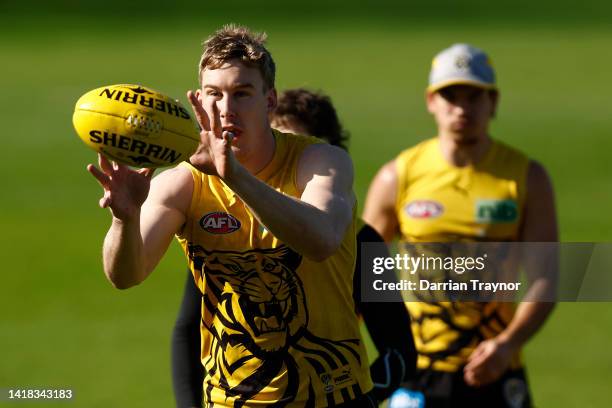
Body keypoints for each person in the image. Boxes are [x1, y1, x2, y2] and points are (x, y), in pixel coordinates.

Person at [88, 25, 375, 407]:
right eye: (214, 94)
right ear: (198, 99)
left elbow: (321, 241)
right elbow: (125, 276)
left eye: (242, 94)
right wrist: (124, 219)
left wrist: (234, 177)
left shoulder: (321, 161)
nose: (226, 108)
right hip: (231, 401)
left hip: (333, 396)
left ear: (269, 101)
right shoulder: (181, 184)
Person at [172, 88, 416, 407]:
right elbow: (188, 333)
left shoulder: (363, 241)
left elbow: (400, 351)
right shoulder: (228, 236)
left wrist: (361, 400)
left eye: (307, 156)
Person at [363, 43, 558, 407]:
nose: (462, 108)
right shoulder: (398, 177)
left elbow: (547, 278)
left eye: (474, 96)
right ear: (431, 101)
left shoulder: (526, 178)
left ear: (493, 102)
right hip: (415, 371)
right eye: (450, 96)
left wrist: (509, 343)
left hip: (496, 366)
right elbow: (362, 271)